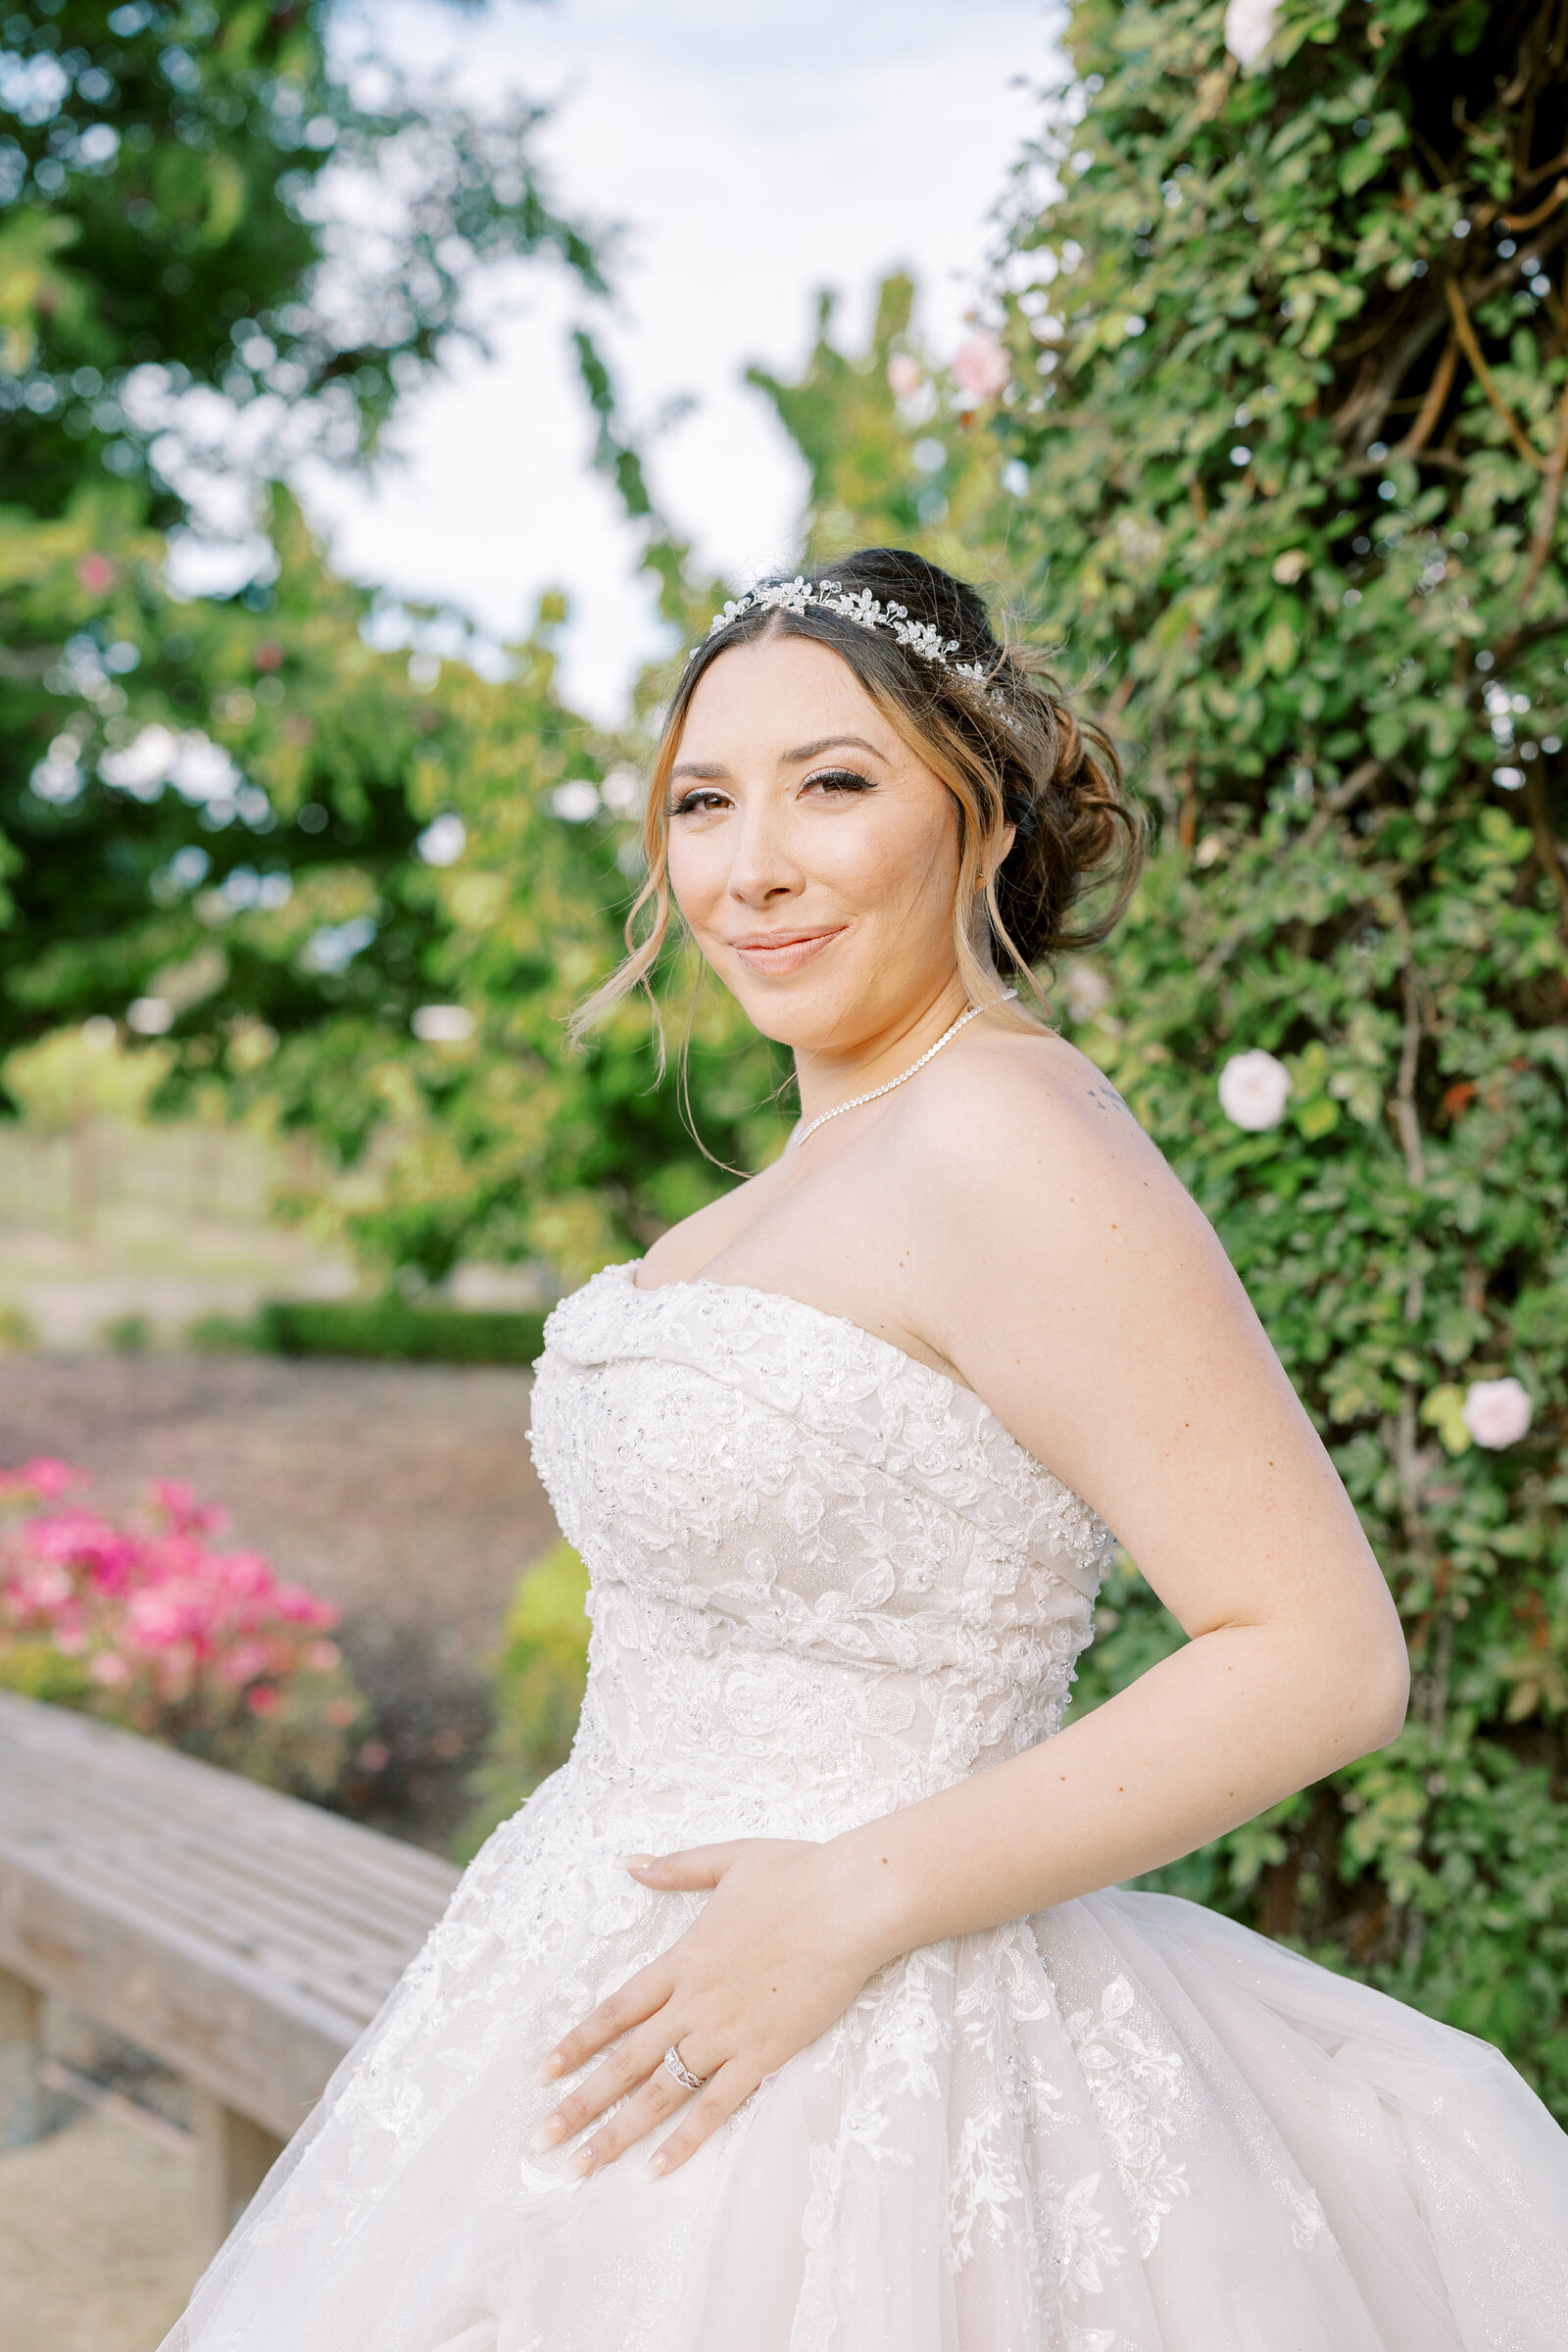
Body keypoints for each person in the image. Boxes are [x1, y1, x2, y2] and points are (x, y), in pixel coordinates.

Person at [164, 550, 1568, 2350]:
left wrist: (847, 1901)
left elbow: (1318, 1655)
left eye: (833, 783)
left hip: (872, 2048)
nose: (751, 866)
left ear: (978, 819)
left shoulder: (1009, 1133)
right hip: (596, 2003)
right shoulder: (824, 1164)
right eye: (702, 801)